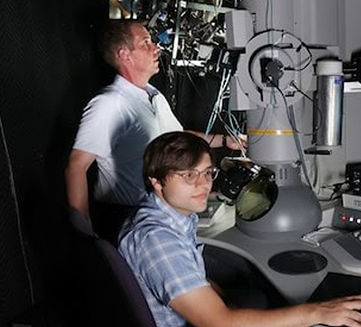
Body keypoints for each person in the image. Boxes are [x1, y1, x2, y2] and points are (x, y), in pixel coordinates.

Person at [118, 132, 361, 327]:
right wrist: (318, 311)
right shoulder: (157, 240)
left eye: (207, 172)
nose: (203, 184)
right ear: (156, 181)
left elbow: (195, 275)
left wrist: (224, 302)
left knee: (263, 300)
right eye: (188, 176)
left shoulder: (165, 215)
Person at [65, 19, 240, 237]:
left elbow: (176, 138)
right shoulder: (109, 104)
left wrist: (225, 141)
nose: (155, 47)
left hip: (161, 215)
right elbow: (76, 166)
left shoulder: (153, 95)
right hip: (126, 220)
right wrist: (85, 234)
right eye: (146, 43)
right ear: (124, 55)